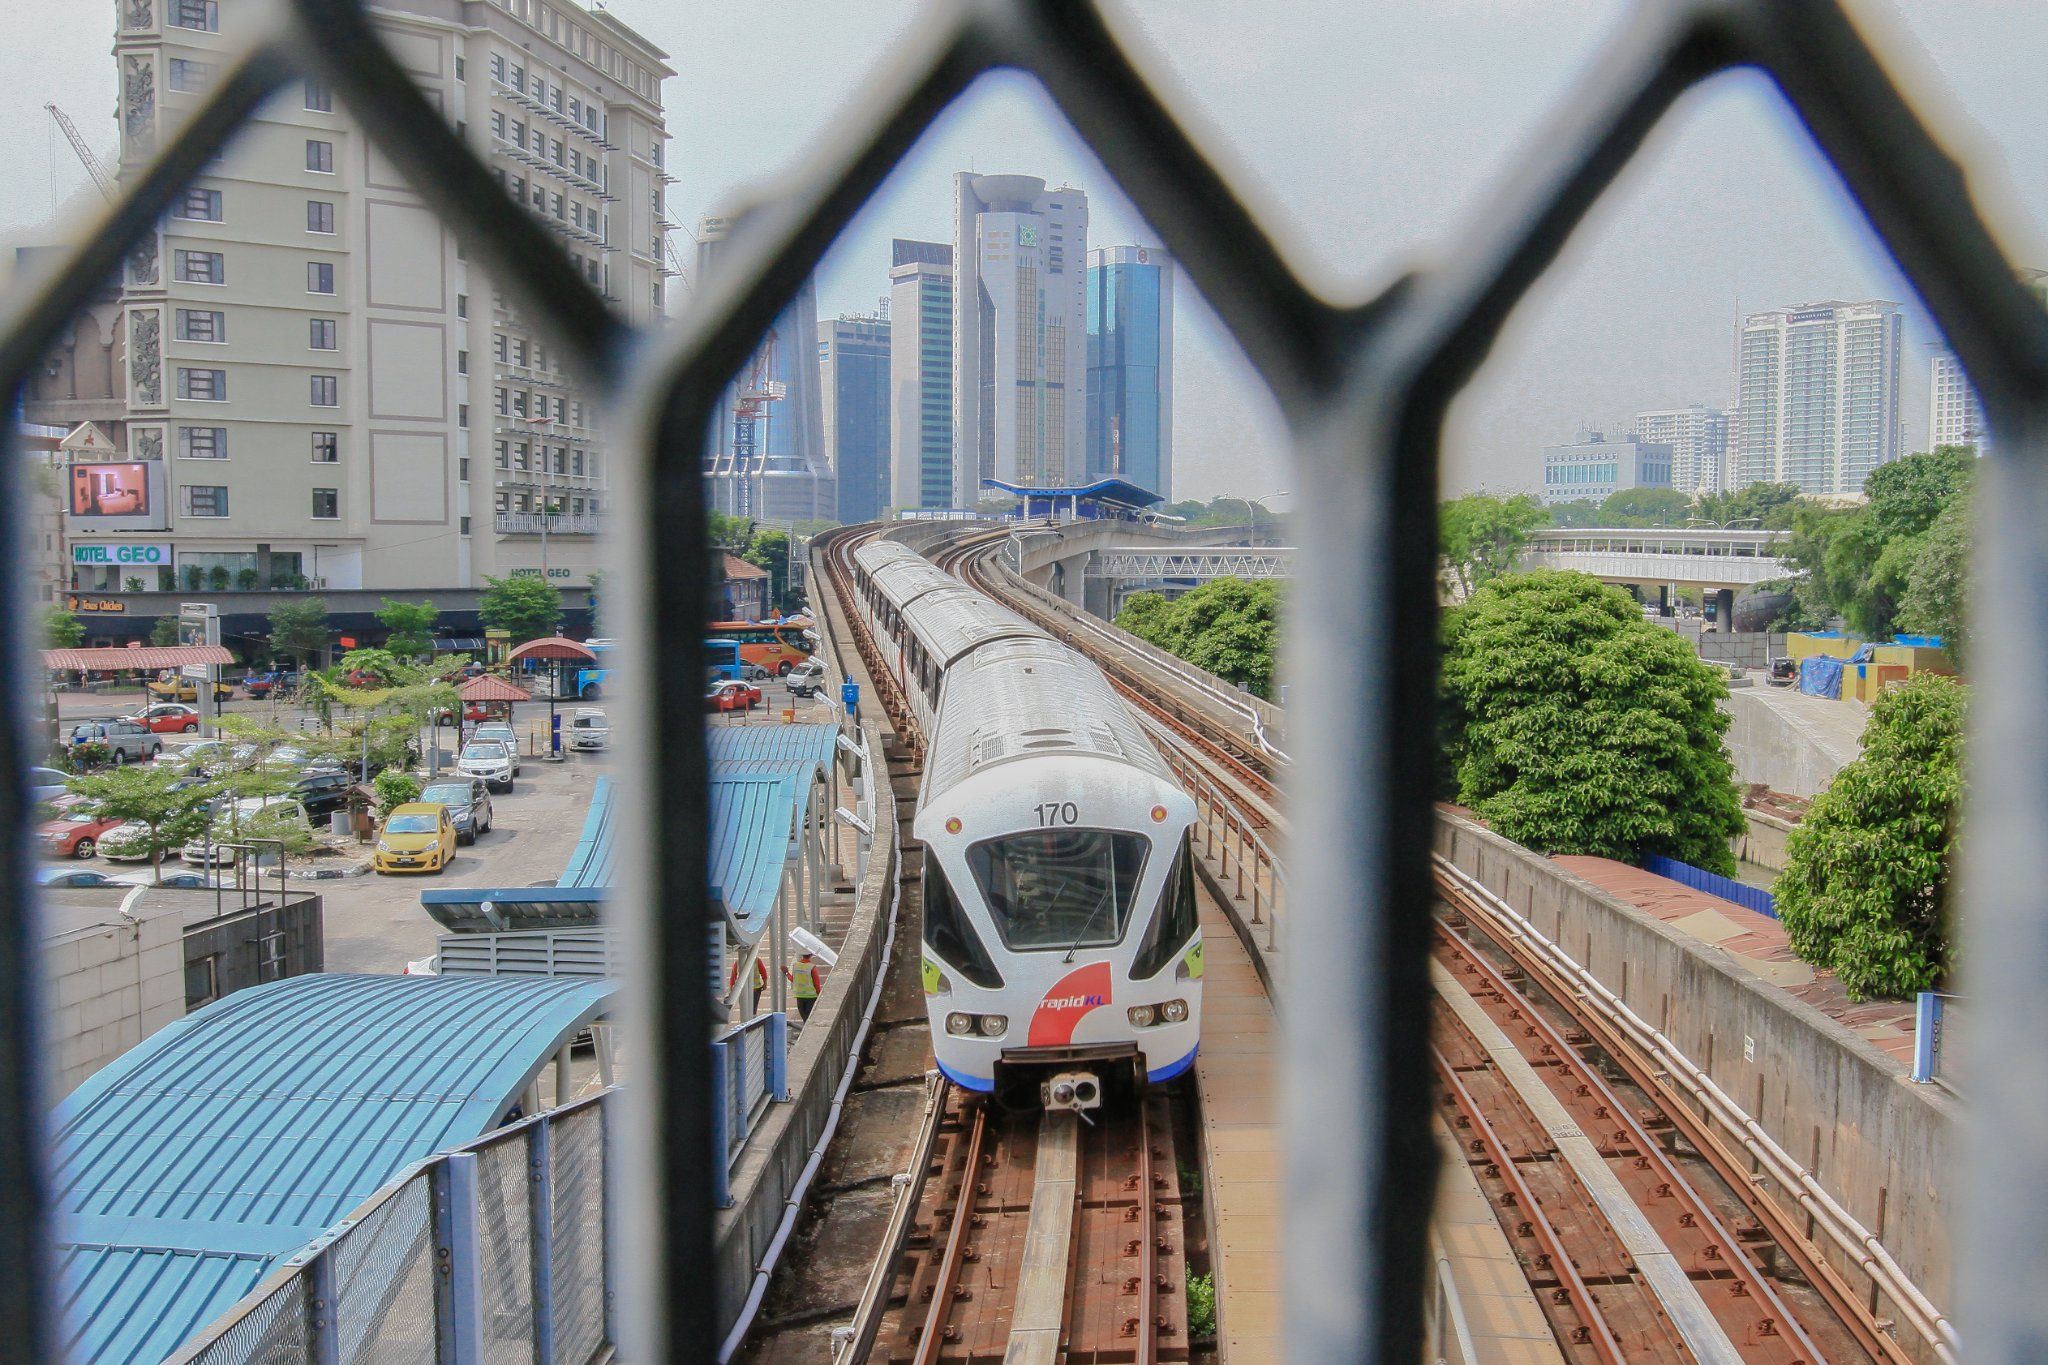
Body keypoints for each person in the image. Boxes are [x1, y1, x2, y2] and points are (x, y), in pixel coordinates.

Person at [788, 953, 823, 1021]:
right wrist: (819, 995)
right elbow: (816, 984)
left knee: (804, 1018)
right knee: (809, 1018)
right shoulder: (812, 967)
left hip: (799, 996)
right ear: (811, 955)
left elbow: (793, 979)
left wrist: (787, 973)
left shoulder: (796, 966)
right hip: (811, 997)